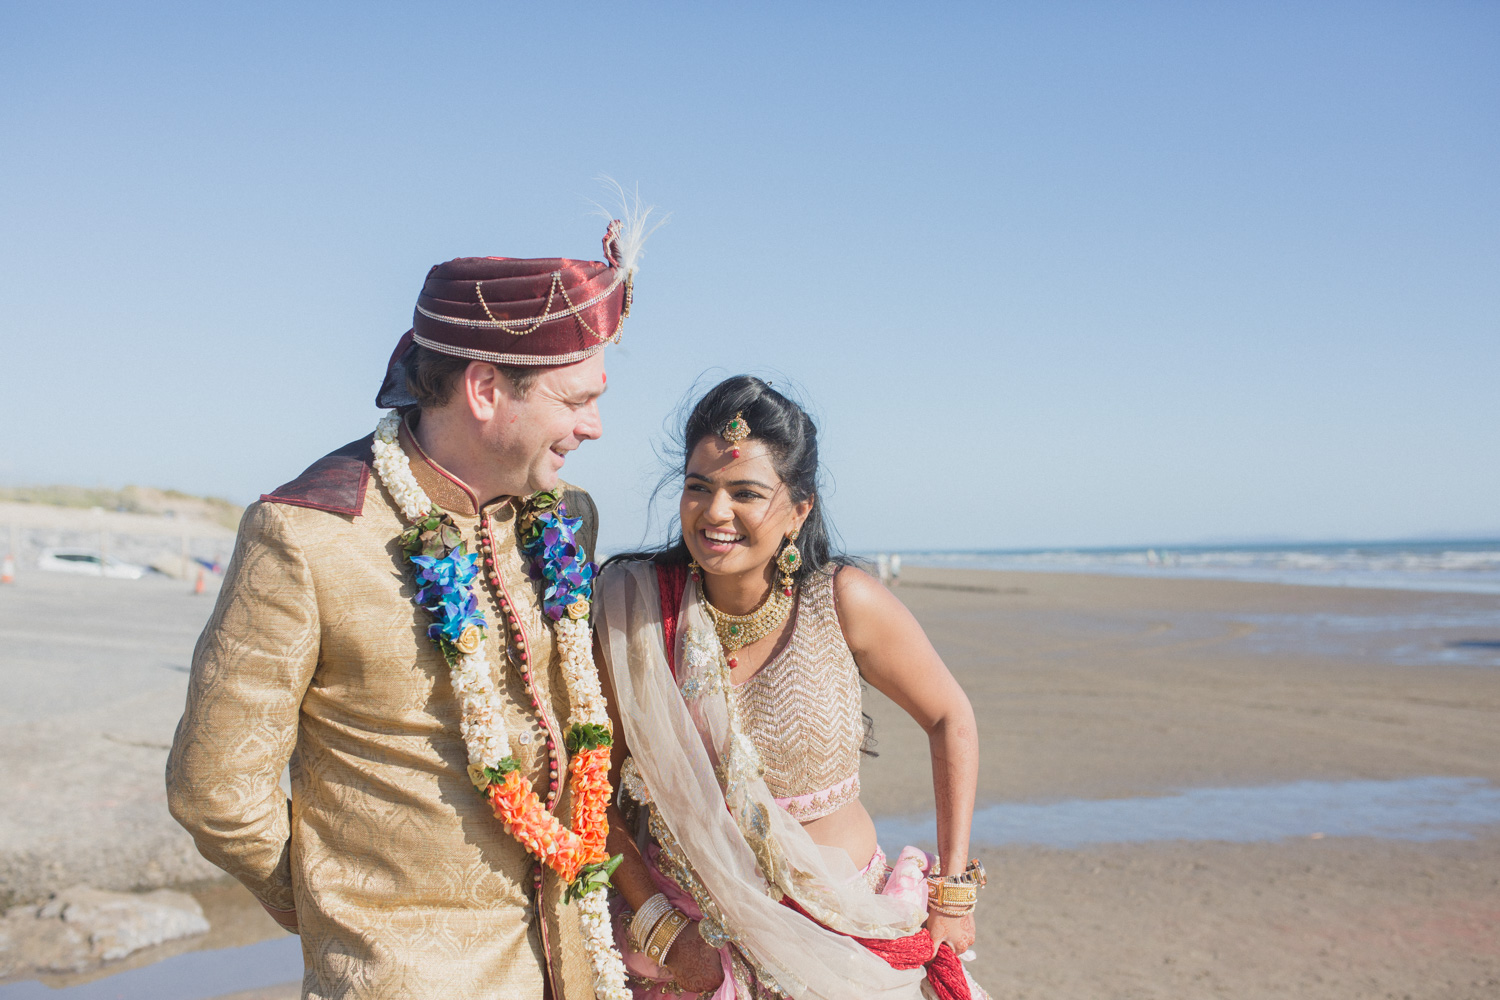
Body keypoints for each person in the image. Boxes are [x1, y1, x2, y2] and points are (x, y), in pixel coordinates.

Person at [166, 216, 651, 999]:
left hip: (576, 966)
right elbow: (215, 789)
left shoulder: (567, 516)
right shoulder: (309, 537)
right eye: (575, 400)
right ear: (486, 389)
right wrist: (341, 916)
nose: (594, 426)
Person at [594, 376, 989, 999]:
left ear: (798, 511)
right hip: (693, 950)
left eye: (745, 492)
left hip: (846, 939)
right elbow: (594, 787)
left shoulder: (841, 601)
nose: (715, 511)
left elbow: (950, 716)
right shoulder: (636, 615)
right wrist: (659, 926)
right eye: (699, 487)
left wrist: (955, 893)